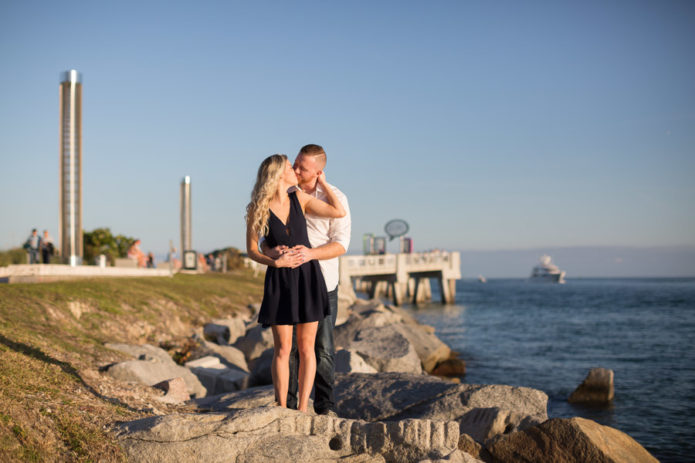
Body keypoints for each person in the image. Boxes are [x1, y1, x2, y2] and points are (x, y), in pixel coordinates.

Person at [245, 154, 346, 413]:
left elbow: (338, 211)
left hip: (308, 278)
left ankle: (302, 409)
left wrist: (323, 184)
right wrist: (273, 260)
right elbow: (252, 251)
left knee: (307, 347)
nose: (296, 171)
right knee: (283, 349)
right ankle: (281, 407)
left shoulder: (299, 198)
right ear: (279, 174)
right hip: (280, 280)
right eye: (291, 167)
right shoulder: (258, 208)